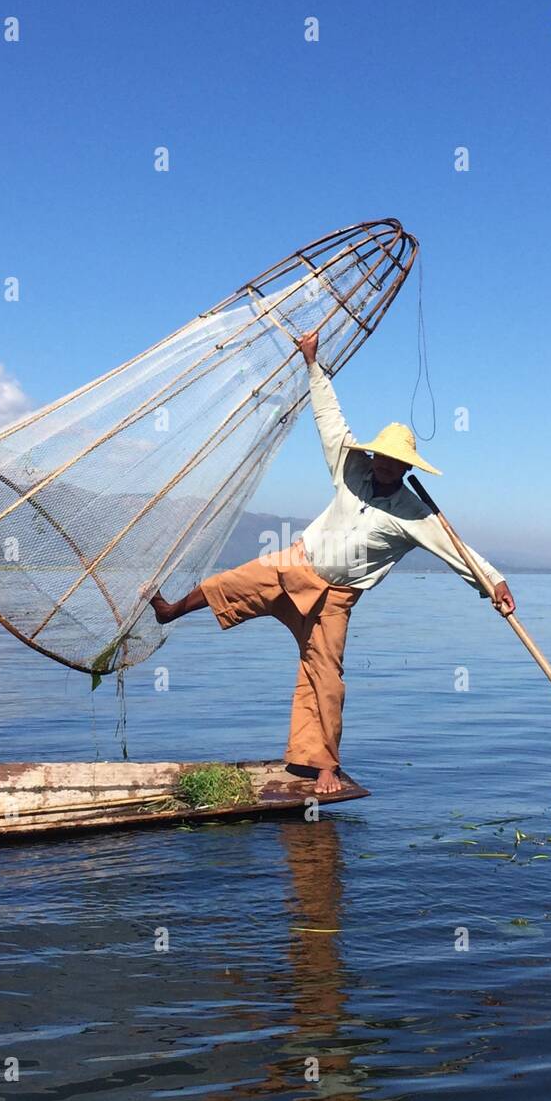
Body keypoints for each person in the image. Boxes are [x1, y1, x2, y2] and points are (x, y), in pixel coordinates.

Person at [150, 329, 515, 795]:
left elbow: (458, 552)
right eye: (381, 456)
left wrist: (495, 585)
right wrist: (312, 364)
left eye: (393, 462)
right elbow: (329, 419)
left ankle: (323, 765)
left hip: (334, 600)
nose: (384, 465)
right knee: (228, 583)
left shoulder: (415, 514)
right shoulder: (352, 468)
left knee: (324, 677)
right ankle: (170, 611)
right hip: (295, 564)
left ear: (407, 468)